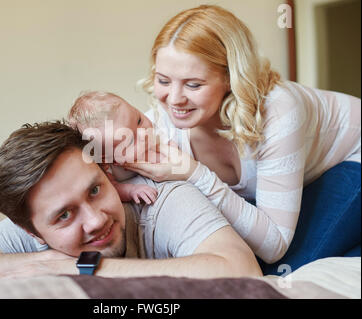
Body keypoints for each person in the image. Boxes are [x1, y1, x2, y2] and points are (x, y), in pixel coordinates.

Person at [120, 4, 361, 275]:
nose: (174, 99)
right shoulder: (161, 121)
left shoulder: (278, 110)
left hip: (354, 156)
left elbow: (274, 244)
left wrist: (193, 172)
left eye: (193, 84)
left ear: (230, 77)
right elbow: (105, 167)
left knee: (278, 269)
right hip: (307, 178)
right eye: (164, 80)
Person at [0, 121, 262, 281]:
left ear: (106, 173)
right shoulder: (32, 229)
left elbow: (241, 269)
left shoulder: (163, 198)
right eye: (64, 215)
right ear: (31, 231)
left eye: (95, 190)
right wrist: (38, 264)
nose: (95, 220)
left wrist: (82, 267)